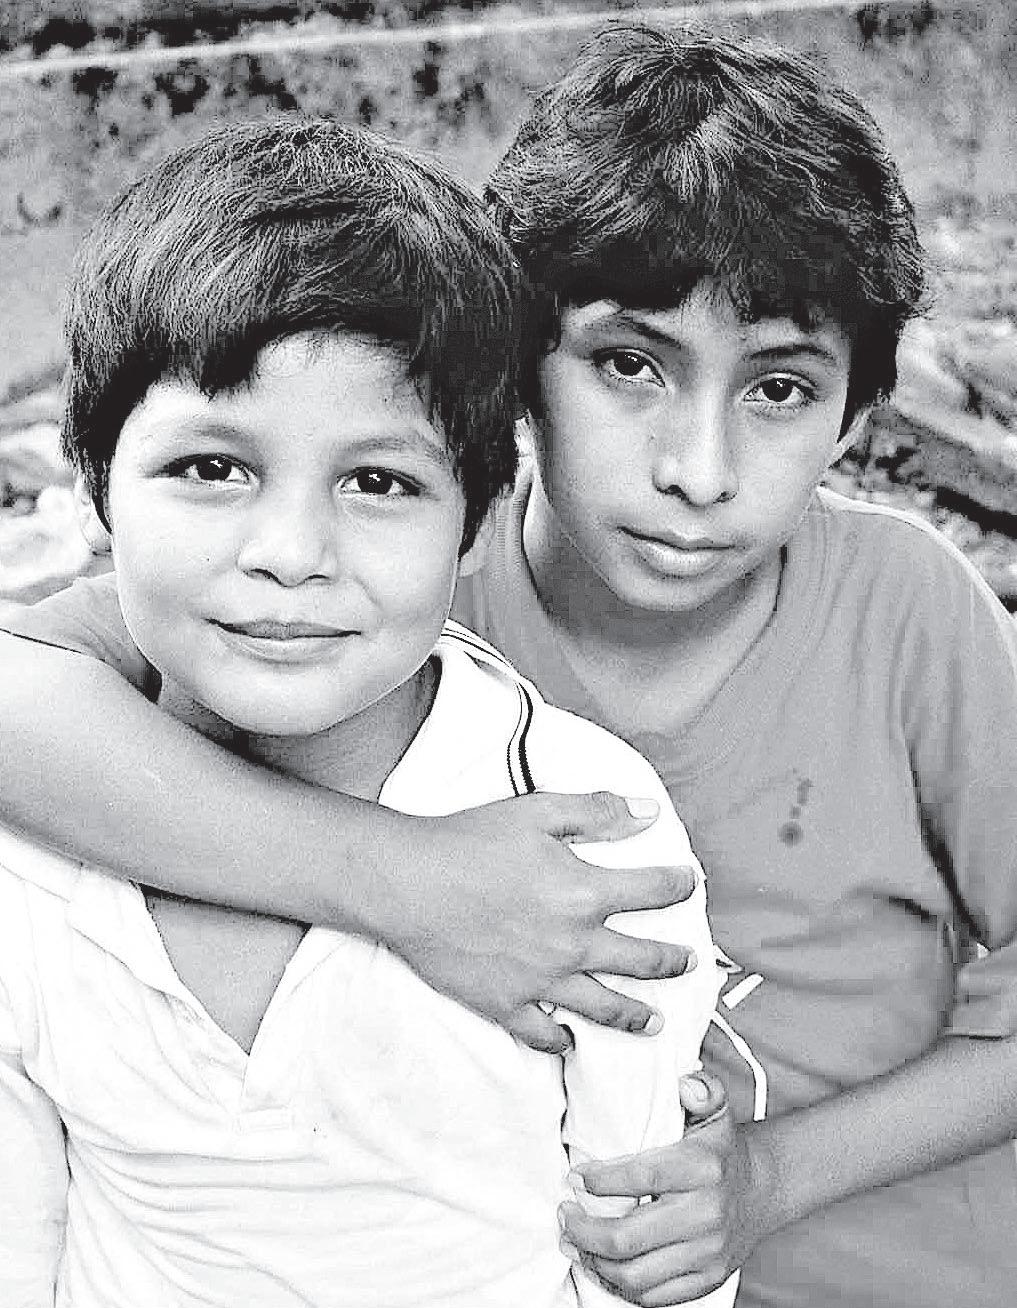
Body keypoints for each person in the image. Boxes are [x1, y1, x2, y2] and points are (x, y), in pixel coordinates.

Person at [2, 21, 1017, 1308]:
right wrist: (404, 880)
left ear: (858, 412)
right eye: (629, 364)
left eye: (779, 390)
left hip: (904, 1271)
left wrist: (770, 1176)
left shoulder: (906, 614)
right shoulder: (381, 599)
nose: (698, 471)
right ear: (513, 372)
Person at [0, 116, 728, 1307]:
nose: (291, 553)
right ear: (95, 489)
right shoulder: (32, 848)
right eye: (211, 468)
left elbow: (644, 1248)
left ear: (476, 520)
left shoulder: (588, 844)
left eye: (379, 481)